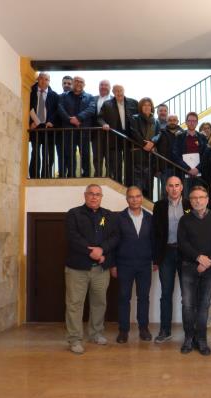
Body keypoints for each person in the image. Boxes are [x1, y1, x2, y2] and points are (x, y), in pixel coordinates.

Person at [64, 184, 119, 354]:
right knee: (74, 304)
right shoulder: (74, 214)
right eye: (91, 194)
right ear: (85, 195)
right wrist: (92, 252)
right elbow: (73, 237)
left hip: (101, 270)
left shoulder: (108, 215)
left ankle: (95, 333)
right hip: (77, 269)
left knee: (99, 303)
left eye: (97, 194)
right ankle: (74, 340)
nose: (94, 197)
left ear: (101, 197)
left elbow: (115, 237)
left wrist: (101, 250)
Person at [177, 186, 211, 355]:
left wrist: (207, 260)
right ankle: (189, 339)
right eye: (194, 198)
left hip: (210, 267)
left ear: (207, 199)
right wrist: (198, 258)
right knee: (188, 305)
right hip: (189, 267)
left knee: (204, 306)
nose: (198, 200)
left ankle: (202, 340)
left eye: (201, 197)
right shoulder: (184, 220)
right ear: (190, 201)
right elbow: (182, 243)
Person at [112, 186, 154, 343]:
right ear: (127, 199)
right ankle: (123, 331)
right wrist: (113, 265)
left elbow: (154, 241)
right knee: (124, 297)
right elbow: (114, 242)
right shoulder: (118, 218)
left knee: (143, 297)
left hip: (144, 264)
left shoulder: (150, 218)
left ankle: (144, 329)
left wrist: (155, 261)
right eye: (131, 197)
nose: (135, 199)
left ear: (142, 197)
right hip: (124, 264)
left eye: (137, 196)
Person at [152, 176, 192, 343]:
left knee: (187, 296)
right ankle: (165, 330)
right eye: (171, 186)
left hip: (186, 254)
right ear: (166, 188)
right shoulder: (159, 206)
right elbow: (155, 233)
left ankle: (189, 333)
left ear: (182, 187)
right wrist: (156, 258)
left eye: (177, 185)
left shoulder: (190, 204)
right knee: (166, 294)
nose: (174, 189)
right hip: (166, 253)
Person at [97, 84, 138, 183]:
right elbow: (99, 117)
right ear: (113, 93)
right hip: (114, 137)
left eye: (120, 90)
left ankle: (128, 185)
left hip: (130, 138)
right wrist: (104, 124)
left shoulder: (133, 102)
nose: (119, 93)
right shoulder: (107, 104)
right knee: (116, 163)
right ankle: (118, 183)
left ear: (124, 91)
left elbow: (139, 117)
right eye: (116, 91)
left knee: (129, 164)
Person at [57, 76, 96, 177]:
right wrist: (70, 120)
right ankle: (71, 175)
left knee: (86, 155)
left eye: (81, 82)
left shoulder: (90, 97)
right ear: (73, 83)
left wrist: (78, 118)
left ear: (84, 84)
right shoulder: (63, 96)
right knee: (69, 155)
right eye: (76, 81)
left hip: (84, 132)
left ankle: (86, 175)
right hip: (68, 131)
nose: (79, 83)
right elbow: (60, 109)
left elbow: (91, 110)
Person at [28, 72, 58, 179]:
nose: (43, 81)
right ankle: (34, 176)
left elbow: (56, 111)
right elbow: (27, 107)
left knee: (48, 154)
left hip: (48, 128)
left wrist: (51, 121)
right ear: (38, 79)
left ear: (49, 81)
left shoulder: (54, 95)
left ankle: (46, 176)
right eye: (41, 78)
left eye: (46, 79)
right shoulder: (30, 92)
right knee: (35, 153)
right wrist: (31, 122)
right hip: (35, 127)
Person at [130, 97, 161, 198]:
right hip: (138, 155)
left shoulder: (156, 121)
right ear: (140, 107)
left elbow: (159, 134)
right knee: (138, 186)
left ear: (152, 107)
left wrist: (152, 142)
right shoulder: (135, 118)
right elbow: (134, 133)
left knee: (149, 187)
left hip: (150, 156)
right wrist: (144, 145)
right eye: (144, 105)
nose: (147, 107)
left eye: (149, 105)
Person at [171, 112, 208, 196]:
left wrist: (197, 169)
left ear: (197, 123)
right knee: (186, 197)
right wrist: (187, 169)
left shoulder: (202, 137)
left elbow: (205, 156)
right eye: (190, 120)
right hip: (184, 173)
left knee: (198, 195)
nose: (192, 123)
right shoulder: (179, 136)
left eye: (194, 121)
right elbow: (175, 155)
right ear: (186, 122)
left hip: (199, 173)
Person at [155, 114, 182, 194]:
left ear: (177, 122)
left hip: (180, 169)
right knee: (165, 193)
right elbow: (156, 151)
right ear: (166, 121)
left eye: (174, 120)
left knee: (180, 193)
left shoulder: (183, 134)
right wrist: (157, 168)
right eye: (170, 120)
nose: (172, 122)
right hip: (165, 168)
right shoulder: (160, 133)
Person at [91, 79, 112, 177]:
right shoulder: (92, 99)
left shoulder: (114, 100)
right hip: (96, 134)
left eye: (106, 85)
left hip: (110, 134)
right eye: (101, 85)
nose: (103, 87)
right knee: (97, 157)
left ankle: (109, 177)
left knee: (109, 158)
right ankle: (97, 177)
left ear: (110, 87)